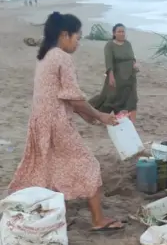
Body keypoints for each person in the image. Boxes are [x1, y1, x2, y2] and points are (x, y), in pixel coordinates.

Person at [8, 12, 124, 231]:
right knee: (89, 165)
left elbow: (64, 96)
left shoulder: (45, 55)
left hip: (40, 122)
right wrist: (99, 116)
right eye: (77, 37)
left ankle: (42, 213)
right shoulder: (62, 57)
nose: (78, 43)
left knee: (45, 168)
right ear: (64, 34)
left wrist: (88, 116)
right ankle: (98, 220)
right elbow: (73, 97)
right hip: (56, 124)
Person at [89, 23, 139, 123]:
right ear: (114, 33)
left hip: (130, 76)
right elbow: (109, 62)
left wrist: (135, 65)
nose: (121, 34)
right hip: (117, 76)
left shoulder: (128, 44)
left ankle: (130, 122)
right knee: (110, 99)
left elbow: (132, 58)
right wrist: (111, 76)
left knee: (132, 98)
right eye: (119, 32)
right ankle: (94, 113)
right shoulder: (110, 45)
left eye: (123, 31)